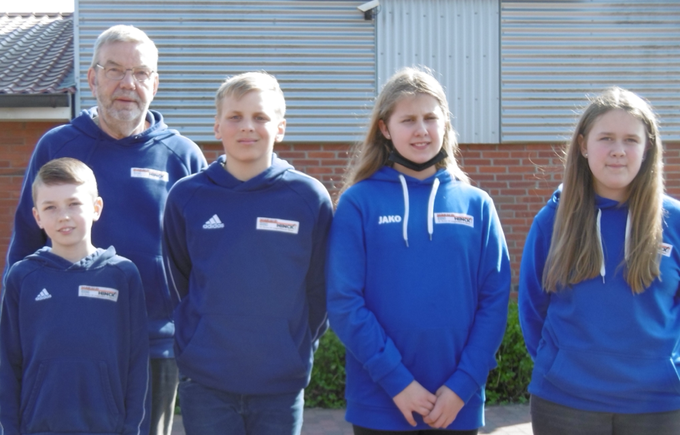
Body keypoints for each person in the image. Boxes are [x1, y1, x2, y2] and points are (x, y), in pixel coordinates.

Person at [3, 25, 207, 435]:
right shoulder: (56, 145)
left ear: (155, 82)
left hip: (153, 344)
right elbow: (26, 240)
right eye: (114, 70)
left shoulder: (181, 156)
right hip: (61, 341)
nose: (127, 84)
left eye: (141, 73)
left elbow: (205, 258)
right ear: (93, 78)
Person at [326, 67, 511, 434]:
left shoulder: (477, 204)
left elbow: (494, 300)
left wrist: (462, 386)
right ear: (384, 128)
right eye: (408, 119)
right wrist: (398, 382)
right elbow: (344, 301)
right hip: (380, 402)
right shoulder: (358, 203)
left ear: (445, 123)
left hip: (457, 406)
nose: (421, 130)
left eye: (430, 118)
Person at [162, 71, 333, 435]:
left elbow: (320, 289)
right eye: (235, 117)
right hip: (206, 382)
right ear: (217, 126)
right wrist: (197, 340)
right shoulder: (186, 196)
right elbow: (180, 278)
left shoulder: (308, 199)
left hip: (280, 383)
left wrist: (293, 345)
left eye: (260, 117)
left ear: (281, 127)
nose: (247, 128)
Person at [518, 87, 680, 435]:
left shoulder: (674, 221)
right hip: (566, 405)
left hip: (659, 405)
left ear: (648, 147)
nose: (618, 151)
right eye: (606, 138)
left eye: (631, 140)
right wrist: (562, 366)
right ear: (583, 145)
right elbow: (532, 308)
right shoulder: (553, 220)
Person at [0, 157, 149, 435]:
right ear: (37, 217)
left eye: (73, 204)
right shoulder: (23, 277)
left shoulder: (123, 275)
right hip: (38, 427)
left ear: (96, 208)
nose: (63, 216)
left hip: (108, 427)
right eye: (50, 207)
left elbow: (137, 362)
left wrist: (133, 428)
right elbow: (7, 363)